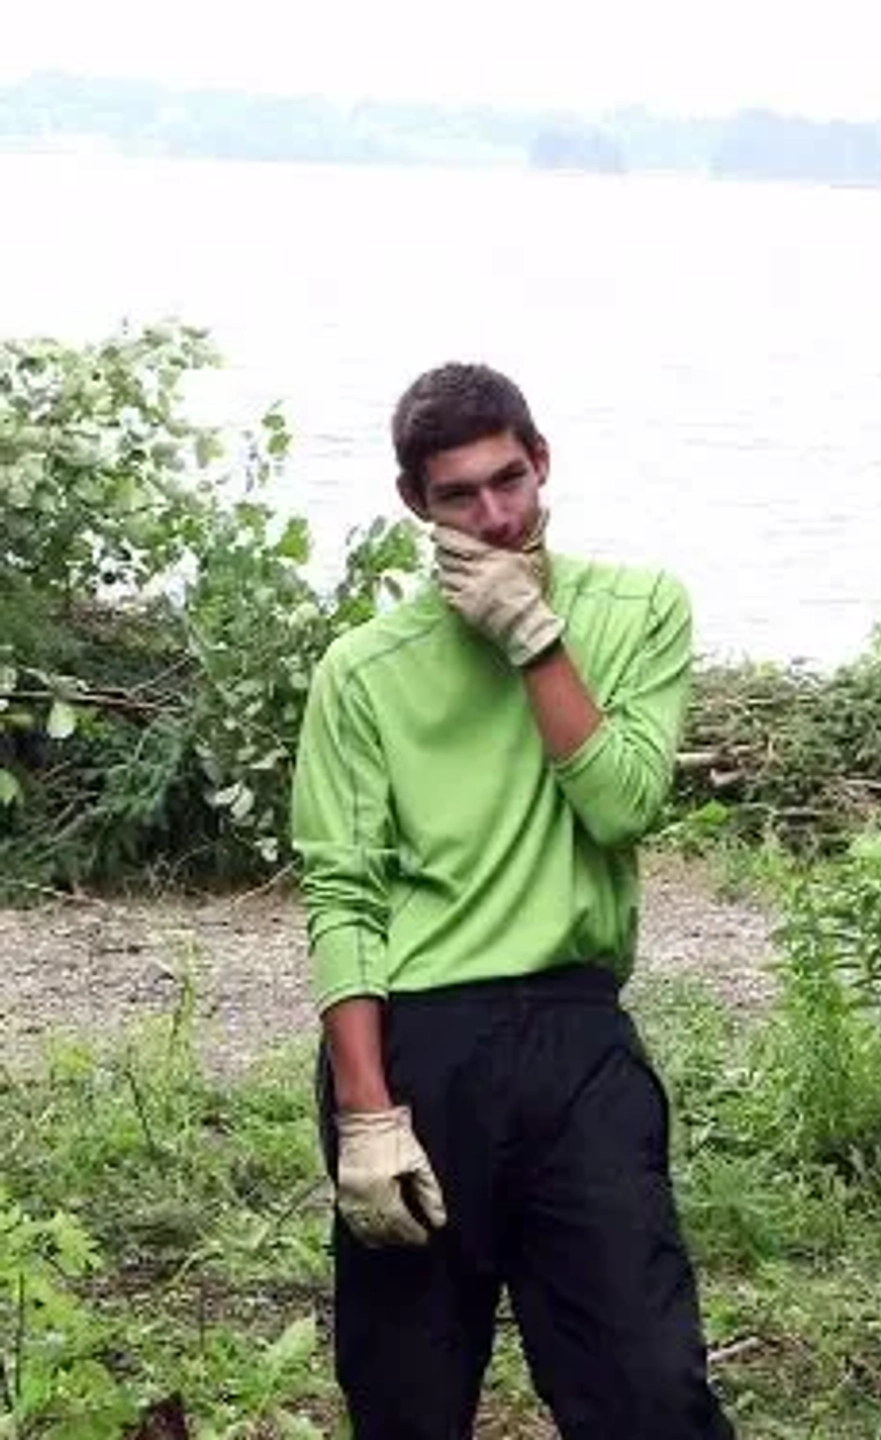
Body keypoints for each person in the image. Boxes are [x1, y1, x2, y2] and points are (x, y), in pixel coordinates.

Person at [290, 362, 735, 1440]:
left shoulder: (637, 610)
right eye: (460, 497)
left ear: (542, 463)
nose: (495, 517)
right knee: (406, 1402)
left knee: (647, 1389)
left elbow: (623, 806)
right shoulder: (366, 669)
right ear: (417, 505)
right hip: (417, 1045)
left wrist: (535, 639)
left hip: (576, 1033)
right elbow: (343, 895)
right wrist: (367, 1115)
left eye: (509, 482)